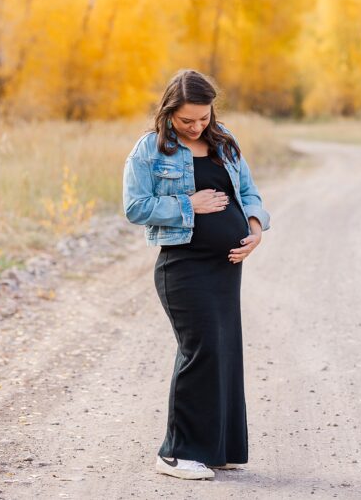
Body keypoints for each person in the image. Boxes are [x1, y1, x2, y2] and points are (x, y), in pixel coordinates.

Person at [122, 69, 271, 481]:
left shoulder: (224, 140)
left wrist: (255, 229)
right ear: (169, 112)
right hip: (182, 267)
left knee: (224, 352)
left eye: (202, 118)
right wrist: (189, 204)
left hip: (226, 267)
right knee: (200, 349)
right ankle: (176, 453)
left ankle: (215, 449)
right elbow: (135, 207)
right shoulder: (150, 150)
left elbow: (249, 194)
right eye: (187, 120)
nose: (196, 126)